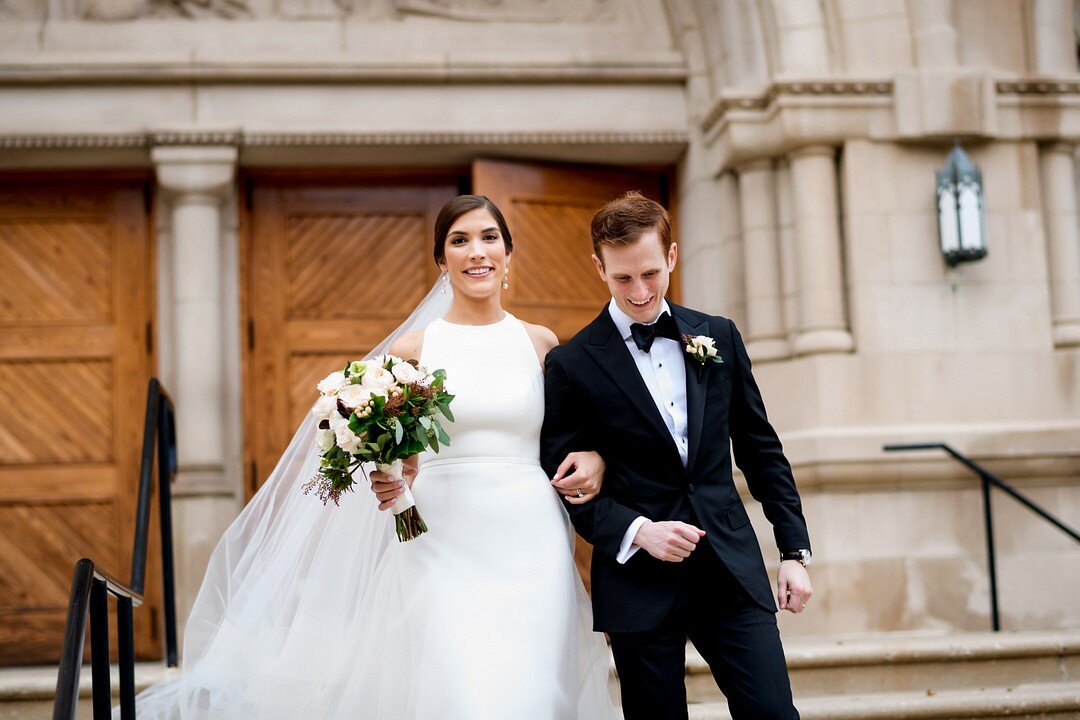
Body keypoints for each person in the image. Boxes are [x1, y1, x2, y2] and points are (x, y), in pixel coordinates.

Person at [122, 195, 618, 719]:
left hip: (530, 538)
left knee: (534, 688)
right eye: (459, 240)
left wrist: (598, 459)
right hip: (439, 535)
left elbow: (573, 436)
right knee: (462, 687)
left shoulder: (540, 343)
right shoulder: (411, 351)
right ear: (441, 262)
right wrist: (391, 474)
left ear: (509, 254)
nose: (477, 252)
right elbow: (381, 443)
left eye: (489, 237)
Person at [540, 191, 812, 720]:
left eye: (649, 274)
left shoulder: (719, 336)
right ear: (598, 267)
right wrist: (638, 530)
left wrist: (795, 552)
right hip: (638, 580)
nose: (639, 292)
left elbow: (761, 451)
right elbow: (563, 482)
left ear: (672, 257)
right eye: (622, 279)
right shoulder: (571, 364)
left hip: (729, 568)